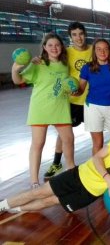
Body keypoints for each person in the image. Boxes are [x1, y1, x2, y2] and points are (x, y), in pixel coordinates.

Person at [0, 114, 110, 243]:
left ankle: (16, 209)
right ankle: (3, 205)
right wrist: (108, 177)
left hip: (88, 193)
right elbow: (97, 157)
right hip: (78, 174)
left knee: (50, 201)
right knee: (38, 192)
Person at [11, 33, 74, 188]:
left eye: (57, 45)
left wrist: (72, 88)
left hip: (60, 108)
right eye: (50, 45)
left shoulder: (66, 65)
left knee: (69, 139)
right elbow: (18, 80)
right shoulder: (38, 63)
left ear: (62, 47)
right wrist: (16, 68)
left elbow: (68, 84)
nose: (54, 48)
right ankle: (34, 181)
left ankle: (71, 170)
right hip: (40, 109)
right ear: (44, 47)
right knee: (38, 144)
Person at [45, 22, 92, 178]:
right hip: (71, 101)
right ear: (70, 37)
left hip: (91, 100)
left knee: (96, 133)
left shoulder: (94, 50)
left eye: (81, 33)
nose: (78, 38)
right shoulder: (66, 52)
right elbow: (50, 59)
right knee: (63, 135)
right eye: (74, 34)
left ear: (85, 34)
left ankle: (96, 165)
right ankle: (57, 162)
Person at [78, 39, 110, 154]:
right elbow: (80, 90)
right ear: (94, 51)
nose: (102, 52)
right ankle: (97, 170)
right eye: (99, 49)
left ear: (109, 51)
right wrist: (72, 90)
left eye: (105, 49)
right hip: (93, 107)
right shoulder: (87, 68)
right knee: (98, 143)